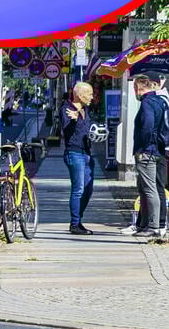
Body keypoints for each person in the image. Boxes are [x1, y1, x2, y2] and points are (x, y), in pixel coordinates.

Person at [123, 73, 167, 238]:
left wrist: (142, 147)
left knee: (149, 189)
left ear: (138, 87)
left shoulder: (147, 103)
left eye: (135, 88)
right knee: (144, 187)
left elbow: (148, 126)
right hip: (157, 150)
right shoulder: (159, 101)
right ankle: (144, 224)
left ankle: (153, 226)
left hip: (147, 151)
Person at [62, 81, 95, 235]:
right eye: (89, 93)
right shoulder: (67, 109)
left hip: (87, 153)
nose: (92, 97)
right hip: (74, 153)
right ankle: (74, 223)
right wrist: (73, 120)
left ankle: (78, 220)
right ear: (79, 94)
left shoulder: (86, 110)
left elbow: (88, 128)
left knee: (88, 189)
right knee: (78, 189)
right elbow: (67, 128)